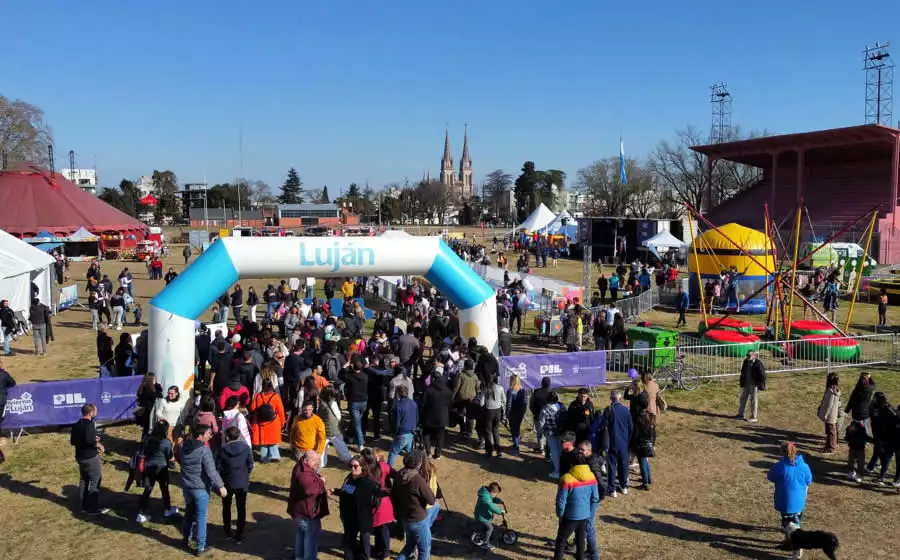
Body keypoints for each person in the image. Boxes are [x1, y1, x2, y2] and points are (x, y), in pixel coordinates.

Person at [179, 424, 227, 555]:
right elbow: (211, 471)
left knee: (189, 513)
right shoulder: (204, 450)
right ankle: (200, 547)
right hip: (200, 487)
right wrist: (221, 486)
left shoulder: (182, 445)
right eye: (208, 433)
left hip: (187, 486)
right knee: (201, 517)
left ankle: (185, 539)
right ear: (200, 435)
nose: (210, 436)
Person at [553, 450, 600, 560]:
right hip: (584, 515)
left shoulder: (566, 479)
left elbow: (561, 500)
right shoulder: (592, 476)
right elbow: (595, 497)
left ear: (571, 463)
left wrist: (560, 514)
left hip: (570, 516)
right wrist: (589, 511)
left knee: (561, 540)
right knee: (580, 539)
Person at [334, 454, 383, 559]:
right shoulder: (349, 478)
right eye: (351, 466)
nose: (352, 468)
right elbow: (346, 491)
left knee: (364, 544)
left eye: (355, 466)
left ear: (362, 467)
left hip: (363, 517)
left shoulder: (367, 481)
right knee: (349, 545)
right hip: (350, 517)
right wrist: (335, 491)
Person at [390, 450, 436, 560]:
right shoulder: (417, 480)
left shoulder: (399, 474)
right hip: (418, 520)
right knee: (424, 550)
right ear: (418, 464)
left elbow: (393, 496)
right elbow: (431, 500)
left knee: (409, 546)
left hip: (405, 518)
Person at [288, 450, 329, 560]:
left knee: (301, 535)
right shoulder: (304, 474)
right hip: (308, 513)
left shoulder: (300, 466)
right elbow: (310, 490)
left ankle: (299, 556)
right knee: (311, 538)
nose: (317, 462)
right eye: (315, 460)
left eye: (318, 459)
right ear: (306, 460)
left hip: (300, 511)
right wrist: (321, 482)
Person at [216, 425, 254, 544]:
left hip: (227, 482)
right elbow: (250, 465)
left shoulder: (222, 450)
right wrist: (245, 473)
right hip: (242, 482)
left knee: (226, 507)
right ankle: (239, 535)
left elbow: (218, 467)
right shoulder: (246, 448)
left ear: (227, 437)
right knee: (241, 508)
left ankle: (227, 531)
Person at [766, 442, 812, 537]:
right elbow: (809, 480)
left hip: (785, 500)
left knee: (788, 524)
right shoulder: (804, 466)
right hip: (800, 500)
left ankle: (789, 541)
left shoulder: (781, 466)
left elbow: (770, 476)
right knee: (797, 519)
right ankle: (797, 531)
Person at [136, 419, 177, 523]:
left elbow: (143, 450)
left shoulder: (147, 438)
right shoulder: (166, 442)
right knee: (164, 489)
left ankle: (141, 513)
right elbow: (170, 456)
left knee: (148, 489)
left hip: (148, 467)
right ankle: (167, 509)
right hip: (161, 468)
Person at [70, 403, 108, 515]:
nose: (96, 413)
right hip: (90, 457)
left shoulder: (76, 424)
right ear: (90, 412)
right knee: (95, 480)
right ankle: (93, 508)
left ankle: (84, 506)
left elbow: (73, 441)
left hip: (80, 457)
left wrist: (92, 438)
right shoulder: (90, 425)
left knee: (84, 480)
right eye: (95, 411)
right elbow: (89, 441)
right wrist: (98, 444)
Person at [599, 390, 633, 497]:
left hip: (612, 442)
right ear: (620, 398)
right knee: (623, 465)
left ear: (611, 398)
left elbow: (603, 426)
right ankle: (624, 486)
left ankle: (612, 489)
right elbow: (631, 428)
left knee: (612, 466)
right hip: (624, 442)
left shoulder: (608, 410)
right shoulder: (626, 410)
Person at [250, 379, 286, 463]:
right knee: (272, 440)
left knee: (264, 441)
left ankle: (264, 457)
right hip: (273, 422)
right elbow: (281, 410)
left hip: (261, 422)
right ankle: (274, 455)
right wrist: (282, 421)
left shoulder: (258, 396)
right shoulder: (276, 396)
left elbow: (252, 408)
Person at [317, 386, 352, 468]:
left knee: (323, 445)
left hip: (324, 427)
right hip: (333, 428)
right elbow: (338, 416)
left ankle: (321, 462)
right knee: (340, 443)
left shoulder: (321, 402)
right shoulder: (332, 403)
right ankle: (346, 457)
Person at [421, 374, 452, 460]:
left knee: (426, 434)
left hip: (429, 417)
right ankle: (438, 454)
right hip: (442, 418)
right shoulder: (448, 391)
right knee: (440, 436)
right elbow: (450, 404)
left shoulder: (428, 391)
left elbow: (423, 404)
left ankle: (428, 453)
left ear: (433, 379)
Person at [387, 384, 418, 467]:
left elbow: (396, 422)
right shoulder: (413, 403)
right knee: (409, 453)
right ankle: (411, 469)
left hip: (402, 433)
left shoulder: (398, 406)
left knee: (393, 453)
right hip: (411, 432)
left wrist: (395, 432)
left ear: (398, 393)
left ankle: (388, 471)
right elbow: (416, 417)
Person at [538, 392, 567, 479]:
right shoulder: (562, 407)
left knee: (554, 452)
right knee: (561, 451)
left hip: (550, 433)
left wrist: (541, 432)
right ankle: (563, 469)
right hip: (561, 432)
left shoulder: (545, 409)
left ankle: (557, 471)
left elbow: (541, 423)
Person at [633, 396, 657, 491]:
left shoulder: (638, 418)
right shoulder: (651, 415)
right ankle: (649, 478)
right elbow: (653, 431)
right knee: (646, 461)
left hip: (640, 443)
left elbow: (635, 432)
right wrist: (653, 443)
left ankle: (645, 482)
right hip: (649, 442)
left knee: (642, 462)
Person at [480, 375, 506, 457]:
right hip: (497, 411)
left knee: (488, 431)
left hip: (488, 411)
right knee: (496, 431)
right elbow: (504, 400)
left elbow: (481, 403)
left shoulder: (485, 389)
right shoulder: (500, 388)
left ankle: (489, 451)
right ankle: (499, 451)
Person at [473, 482, 505, 551]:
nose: (495, 495)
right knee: (490, 528)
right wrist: (500, 511)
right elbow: (491, 505)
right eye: (495, 494)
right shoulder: (485, 499)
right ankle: (485, 543)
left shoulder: (486, 494)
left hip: (484, 514)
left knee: (487, 527)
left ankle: (485, 534)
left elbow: (491, 498)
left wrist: (498, 500)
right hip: (482, 516)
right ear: (492, 492)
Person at [737, 350, 766, 423]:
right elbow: (742, 372)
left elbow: (762, 375)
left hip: (754, 385)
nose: (747, 357)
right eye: (747, 355)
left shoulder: (758, 363)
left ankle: (754, 417)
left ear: (754, 356)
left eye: (749, 356)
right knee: (743, 399)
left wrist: (759, 384)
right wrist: (742, 382)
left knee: (753, 400)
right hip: (746, 384)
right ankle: (740, 414)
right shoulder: (745, 362)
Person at [816, 373, 842, 454]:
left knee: (831, 431)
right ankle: (828, 445)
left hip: (830, 414)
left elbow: (829, 405)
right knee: (829, 431)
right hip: (831, 414)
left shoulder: (831, 391)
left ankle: (832, 448)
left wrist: (825, 415)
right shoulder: (834, 389)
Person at [505, 374, 528, 455]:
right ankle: (516, 444)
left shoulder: (510, 391)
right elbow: (525, 403)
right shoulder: (523, 390)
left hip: (512, 414)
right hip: (520, 413)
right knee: (517, 429)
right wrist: (523, 413)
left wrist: (507, 415)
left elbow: (509, 404)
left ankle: (516, 447)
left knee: (514, 431)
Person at [530, 376, 553, 454]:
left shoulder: (536, 392)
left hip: (538, 417)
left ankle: (541, 449)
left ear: (541, 383)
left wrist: (534, 412)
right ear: (549, 384)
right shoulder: (552, 393)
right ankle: (548, 450)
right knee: (548, 434)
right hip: (549, 418)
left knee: (539, 434)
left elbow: (531, 404)